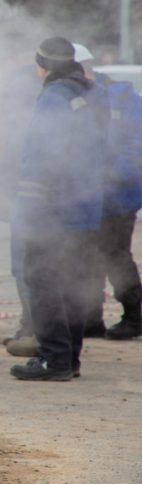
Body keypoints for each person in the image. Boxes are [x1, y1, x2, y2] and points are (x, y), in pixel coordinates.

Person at [10, 37, 109, 381]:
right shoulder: (91, 93)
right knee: (72, 284)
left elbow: (42, 154)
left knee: (43, 281)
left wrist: (31, 211)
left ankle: (54, 359)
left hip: (53, 211)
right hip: (84, 207)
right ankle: (69, 359)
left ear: (45, 66)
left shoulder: (54, 97)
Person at [0, 52, 42, 357]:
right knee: (34, 265)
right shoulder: (41, 95)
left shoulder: (22, 96)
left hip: (28, 198)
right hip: (31, 197)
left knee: (28, 265)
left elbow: (4, 145)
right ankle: (35, 328)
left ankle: (36, 332)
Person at [75, 44, 142, 341]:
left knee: (115, 255)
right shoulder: (80, 96)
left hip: (119, 196)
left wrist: (109, 176)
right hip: (91, 195)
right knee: (87, 254)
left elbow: (135, 148)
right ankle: (91, 318)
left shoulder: (124, 99)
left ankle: (134, 316)